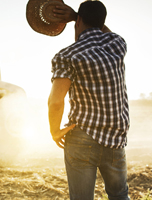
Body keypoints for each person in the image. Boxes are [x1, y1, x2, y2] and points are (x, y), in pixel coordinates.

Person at [48, 1, 130, 200]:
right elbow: (105, 31)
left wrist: (55, 131)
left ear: (78, 22)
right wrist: (77, 16)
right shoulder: (118, 44)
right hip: (115, 138)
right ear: (102, 22)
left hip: (82, 137)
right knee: (119, 195)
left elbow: (56, 101)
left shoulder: (67, 55)